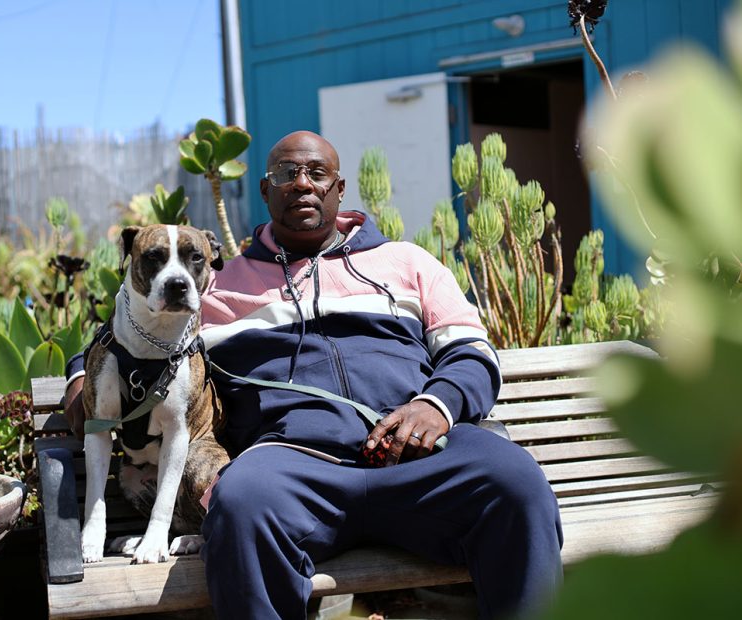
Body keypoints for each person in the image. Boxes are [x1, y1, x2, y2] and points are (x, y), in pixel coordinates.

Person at [64, 131, 563, 619]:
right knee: (240, 506)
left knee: (516, 483)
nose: (302, 183)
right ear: (265, 191)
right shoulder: (217, 287)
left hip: (418, 455)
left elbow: (471, 350)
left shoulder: (408, 262)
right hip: (292, 467)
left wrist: (436, 405)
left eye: (317, 173)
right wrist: (81, 382)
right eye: (286, 173)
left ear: (339, 189)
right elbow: (126, 338)